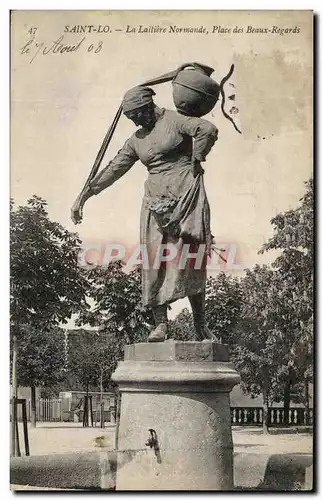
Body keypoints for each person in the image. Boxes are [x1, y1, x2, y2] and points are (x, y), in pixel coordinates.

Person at [71, 86, 219, 342]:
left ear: (148, 106)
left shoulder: (174, 120)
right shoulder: (136, 140)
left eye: (138, 115)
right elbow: (114, 168)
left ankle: (200, 324)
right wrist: (84, 196)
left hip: (185, 197)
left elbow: (207, 129)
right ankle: (160, 324)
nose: (136, 121)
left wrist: (197, 157)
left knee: (191, 259)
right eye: (131, 118)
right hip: (154, 203)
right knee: (153, 261)